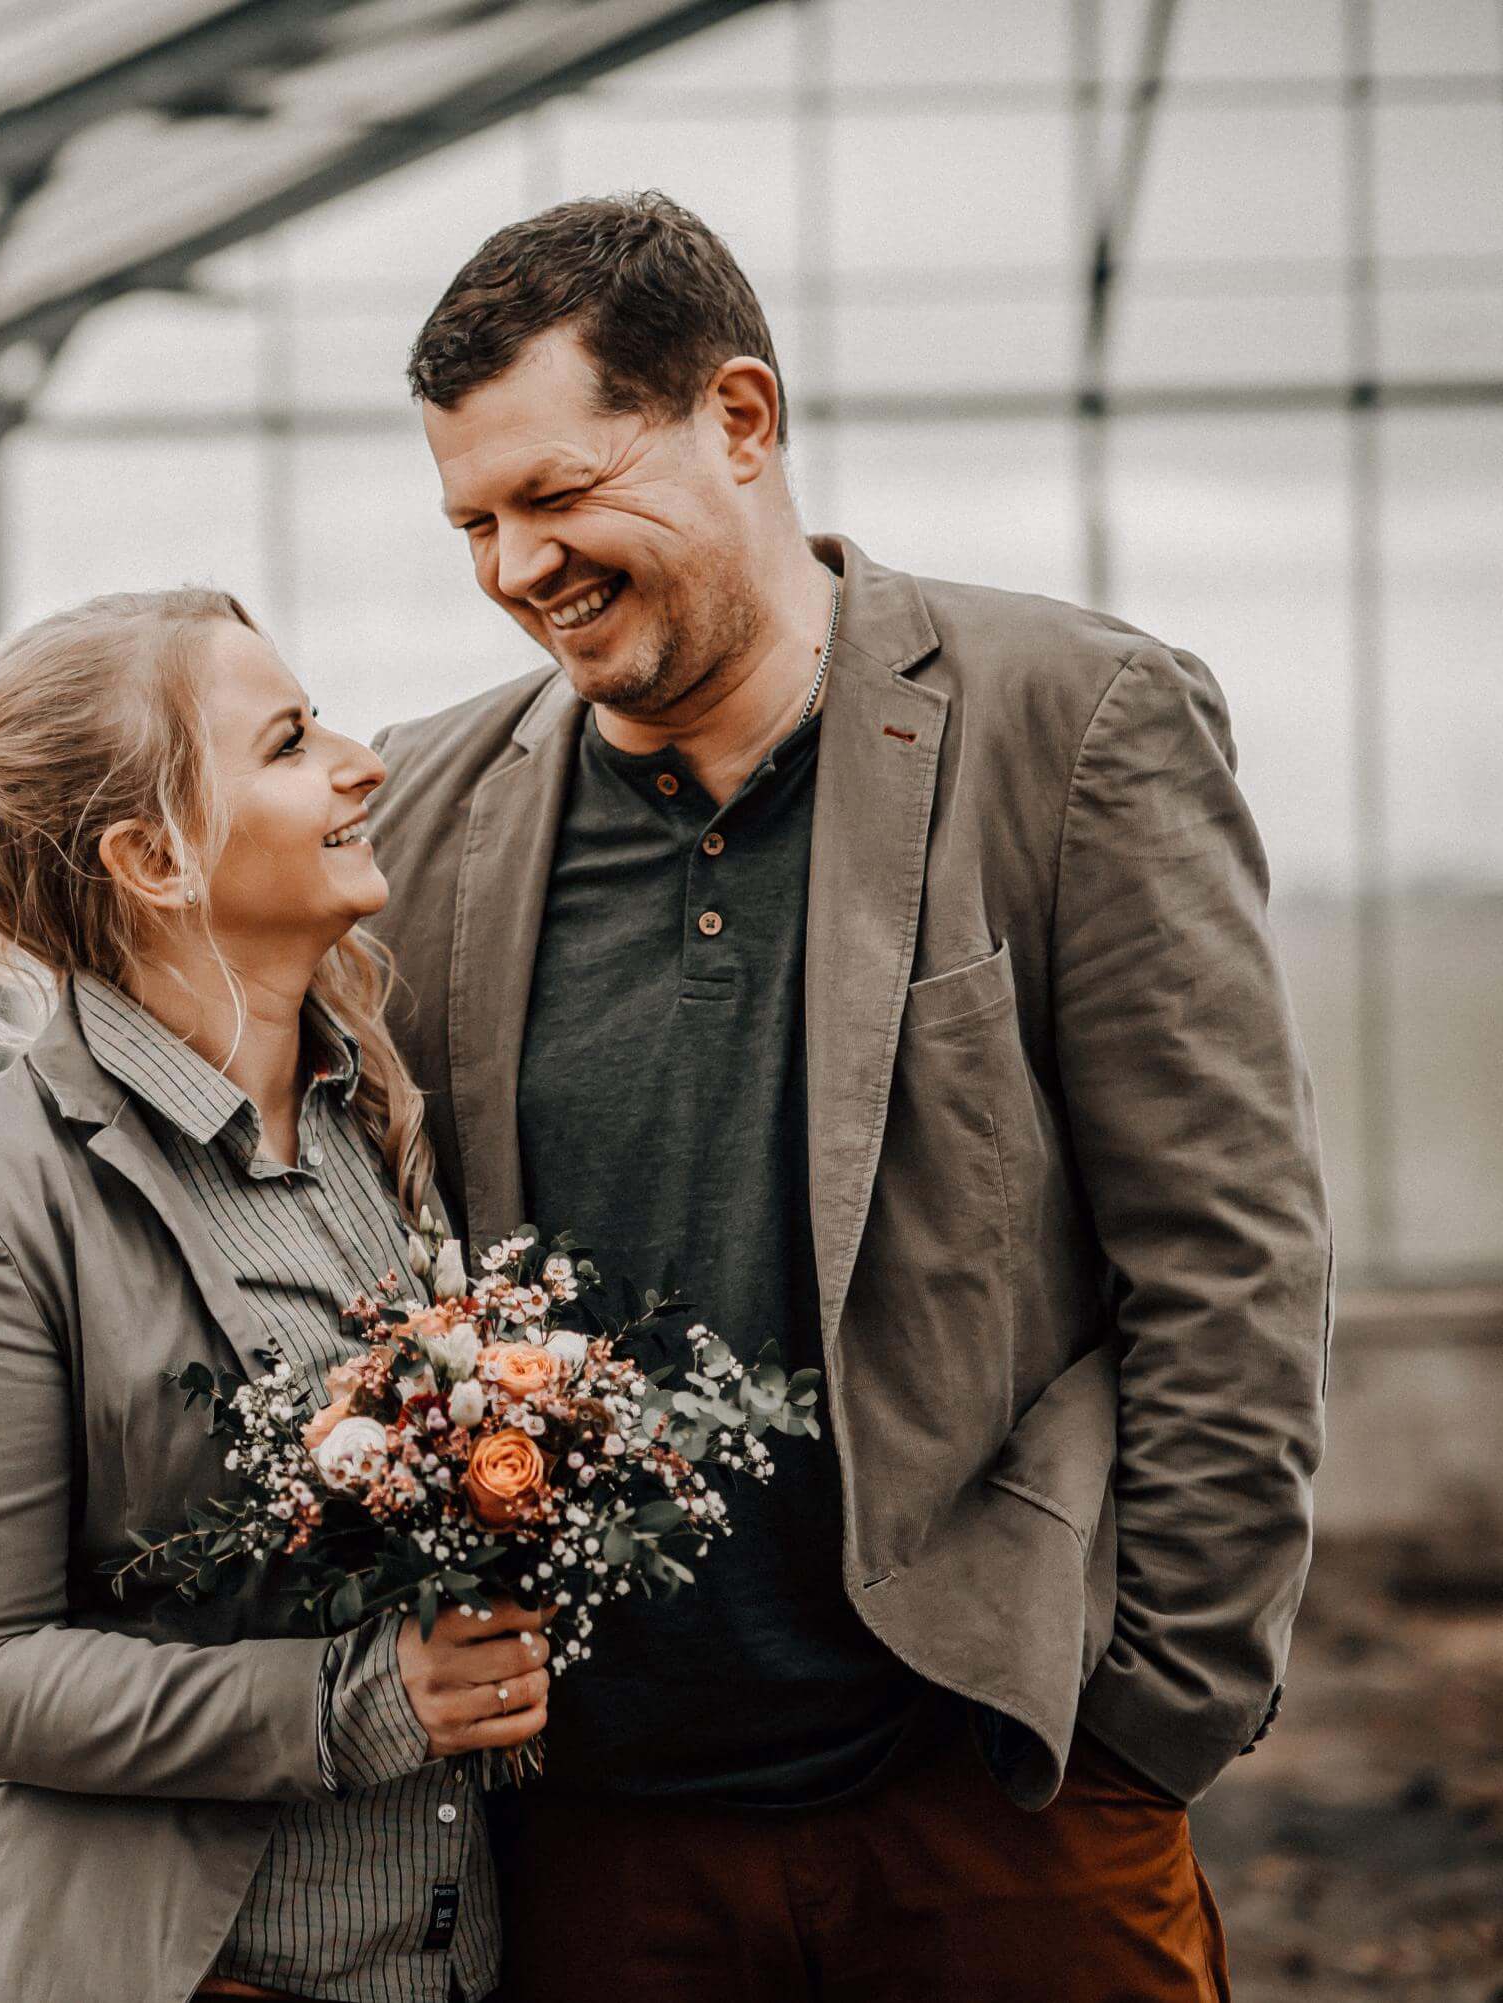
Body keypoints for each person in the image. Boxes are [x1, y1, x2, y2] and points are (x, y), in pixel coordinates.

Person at [363, 192, 1331, 2000]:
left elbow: (1227, 1258)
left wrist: (1149, 1725)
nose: (514, 568)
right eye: (474, 522)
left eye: (559, 497)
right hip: (595, 1844)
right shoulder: (419, 815)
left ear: (740, 418)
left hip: (996, 1806)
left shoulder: (1075, 724)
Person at [0, 590, 545, 2003]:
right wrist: (354, 1705)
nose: (363, 765)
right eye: (292, 744)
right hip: (200, 1974)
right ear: (152, 859)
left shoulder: (384, 1115)